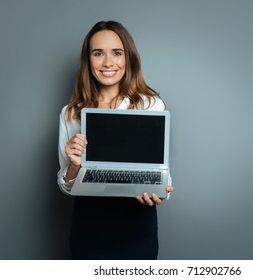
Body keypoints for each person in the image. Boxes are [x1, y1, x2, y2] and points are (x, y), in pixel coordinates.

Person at [57, 20, 173, 260]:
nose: (108, 63)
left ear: (127, 58)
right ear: (88, 60)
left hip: (137, 226)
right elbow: (66, 185)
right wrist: (75, 164)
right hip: (89, 226)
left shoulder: (150, 105)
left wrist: (158, 193)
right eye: (98, 53)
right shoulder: (71, 113)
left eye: (116, 53)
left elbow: (160, 171)